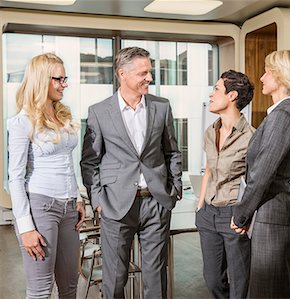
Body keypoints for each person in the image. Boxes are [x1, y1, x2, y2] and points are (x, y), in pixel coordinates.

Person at [80, 46, 182, 298]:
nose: (149, 77)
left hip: (156, 202)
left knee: (155, 276)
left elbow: (172, 152)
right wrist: (97, 200)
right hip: (115, 204)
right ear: (122, 74)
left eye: (150, 72)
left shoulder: (162, 106)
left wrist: (175, 188)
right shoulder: (99, 111)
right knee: (114, 278)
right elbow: (90, 161)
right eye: (143, 73)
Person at [231, 50, 290, 298]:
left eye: (267, 72)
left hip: (272, 212)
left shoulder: (282, 117)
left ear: (281, 76)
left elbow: (261, 173)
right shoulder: (284, 114)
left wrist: (240, 215)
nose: (262, 77)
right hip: (272, 210)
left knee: (268, 290)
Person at [8, 53, 85, 298]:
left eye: (65, 78)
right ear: (41, 80)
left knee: (70, 286)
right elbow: (15, 178)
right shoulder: (22, 121)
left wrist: (79, 198)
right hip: (41, 207)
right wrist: (25, 228)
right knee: (41, 290)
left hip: (70, 207)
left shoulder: (62, 116)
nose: (65, 84)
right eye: (58, 79)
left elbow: (68, 162)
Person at [195, 70, 254, 299]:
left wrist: (244, 216)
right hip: (208, 214)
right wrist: (200, 206)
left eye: (217, 89)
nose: (211, 94)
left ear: (232, 96)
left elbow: (254, 181)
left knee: (240, 284)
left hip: (233, 216)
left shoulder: (251, 137)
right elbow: (209, 168)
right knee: (213, 281)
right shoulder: (211, 132)